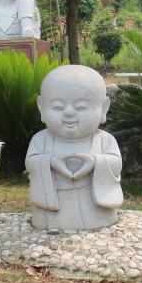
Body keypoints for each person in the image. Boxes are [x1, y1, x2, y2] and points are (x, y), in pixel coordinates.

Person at [26, 65, 122, 230]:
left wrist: (95, 162)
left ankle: (98, 219)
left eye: (81, 107)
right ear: (41, 107)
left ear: (104, 107)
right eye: (58, 107)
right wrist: (51, 162)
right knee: (52, 219)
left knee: (96, 217)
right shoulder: (41, 139)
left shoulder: (104, 140)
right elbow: (31, 163)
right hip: (52, 205)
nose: (69, 113)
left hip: (94, 204)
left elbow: (115, 164)